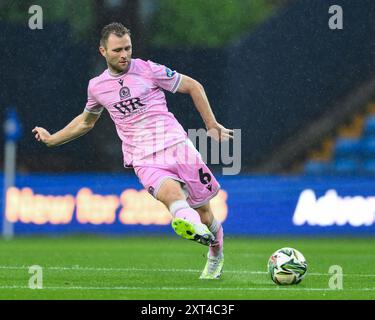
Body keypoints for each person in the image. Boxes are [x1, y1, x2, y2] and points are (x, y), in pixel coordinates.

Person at [32, 22, 233, 279]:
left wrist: (211, 124)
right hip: (142, 157)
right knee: (171, 195)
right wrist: (52, 139)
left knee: (205, 213)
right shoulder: (97, 87)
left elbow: (194, 86)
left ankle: (214, 253)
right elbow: (86, 121)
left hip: (176, 145)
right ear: (103, 51)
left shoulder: (149, 70)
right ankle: (188, 225)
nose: (124, 54)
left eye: (127, 48)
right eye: (117, 50)